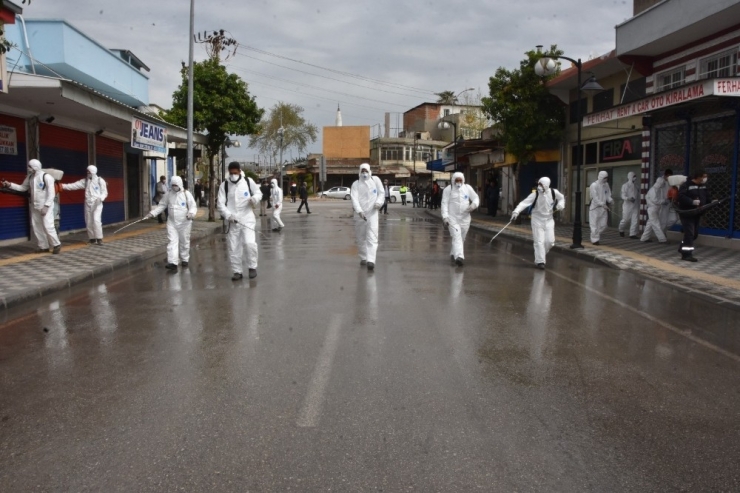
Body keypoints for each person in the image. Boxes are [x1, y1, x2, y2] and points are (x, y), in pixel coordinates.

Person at [2, 159, 62, 254]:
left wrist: (46, 206)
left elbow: (51, 193)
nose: (28, 168)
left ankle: (56, 244)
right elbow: (22, 188)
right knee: (37, 226)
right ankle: (43, 246)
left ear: (35, 167)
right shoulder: (30, 177)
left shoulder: (46, 177)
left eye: (30, 166)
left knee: (48, 226)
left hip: (46, 206)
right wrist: (10, 185)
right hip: (34, 206)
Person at [217, 162, 262, 280]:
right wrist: (228, 215)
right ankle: (237, 271)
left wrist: (254, 199)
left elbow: (258, 193)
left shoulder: (248, 181)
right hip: (233, 221)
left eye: (235, 173)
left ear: (239, 171)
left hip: (247, 218)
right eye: (231, 173)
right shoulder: (224, 185)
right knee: (234, 247)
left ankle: (252, 267)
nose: (233, 175)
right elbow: (220, 204)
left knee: (249, 243)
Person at [145, 176, 197, 272]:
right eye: (172, 185)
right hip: (172, 222)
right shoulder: (168, 194)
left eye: (176, 185)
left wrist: (191, 213)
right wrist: (152, 213)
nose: (174, 187)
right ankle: (173, 262)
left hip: (184, 223)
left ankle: (185, 259)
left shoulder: (186, 194)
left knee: (184, 242)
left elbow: (193, 206)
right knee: (172, 241)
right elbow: (162, 205)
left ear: (180, 184)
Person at [512, 177, 565, 269]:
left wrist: (561, 204)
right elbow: (523, 203)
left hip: (549, 219)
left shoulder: (553, 192)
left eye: (541, 185)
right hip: (537, 219)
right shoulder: (535, 194)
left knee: (550, 241)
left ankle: (540, 255)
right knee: (539, 241)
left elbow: (562, 198)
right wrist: (516, 211)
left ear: (547, 185)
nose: (539, 186)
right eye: (539, 184)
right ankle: (540, 261)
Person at [61, 165, 108, 245]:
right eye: (87, 171)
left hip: (97, 204)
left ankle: (99, 238)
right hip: (87, 203)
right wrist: (62, 186)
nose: (87, 173)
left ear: (93, 172)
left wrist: (101, 198)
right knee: (89, 221)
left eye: (89, 171)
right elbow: (74, 185)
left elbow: (104, 192)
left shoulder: (100, 181)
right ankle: (92, 238)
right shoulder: (85, 181)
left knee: (96, 220)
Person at [351, 163, 385, 270]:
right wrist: (359, 211)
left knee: (372, 237)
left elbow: (381, 193)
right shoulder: (356, 184)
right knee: (360, 237)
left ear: (369, 170)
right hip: (359, 215)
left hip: (372, 213)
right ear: (359, 171)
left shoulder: (375, 180)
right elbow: (354, 199)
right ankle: (363, 257)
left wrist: (379, 203)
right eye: (362, 171)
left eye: (366, 171)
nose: (364, 173)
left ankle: (371, 260)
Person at [441, 172, 480, 266]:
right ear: (453, 180)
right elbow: (444, 203)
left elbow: (476, 198)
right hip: (452, 218)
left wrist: (474, 205)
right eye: (456, 180)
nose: (458, 182)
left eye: (460, 180)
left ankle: (453, 252)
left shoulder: (467, 188)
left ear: (463, 180)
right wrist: (445, 217)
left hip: (465, 219)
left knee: (461, 238)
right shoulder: (448, 190)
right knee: (456, 235)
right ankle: (460, 257)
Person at [677, 169, 713, 262]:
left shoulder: (703, 186)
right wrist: (692, 202)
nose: (705, 178)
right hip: (687, 212)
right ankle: (686, 255)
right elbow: (681, 197)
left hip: (697, 213)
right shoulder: (686, 185)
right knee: (689, 233)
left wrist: (711, 202)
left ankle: (682, 248)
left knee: (694, 234)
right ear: (698, 177)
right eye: (704, 176)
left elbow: (707, 197)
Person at [641, 169, 673, 243]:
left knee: (650, 223)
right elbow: (655, 200)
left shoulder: (658, 189)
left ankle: (644, 238)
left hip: (656, 208)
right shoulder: (653, 190)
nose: (662, 185)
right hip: (652, 209)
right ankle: (662, 239)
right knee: (656, 224)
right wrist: (663, 201)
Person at [588, 170, 613, 245]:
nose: (606, 179)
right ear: (601, 177)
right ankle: (595, 240)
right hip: (595, 209)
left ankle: (595, 234)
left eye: (607, 178)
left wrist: (610, 200)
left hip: (603, 208)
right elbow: (595, 199)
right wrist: (602, 204)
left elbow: (608, 195)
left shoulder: (606, 185)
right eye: (605, 178)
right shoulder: (594, 185)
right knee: (594, 224)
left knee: (604, 225)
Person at [618, 172, 640, 239]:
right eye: (633, 176)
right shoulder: (625, 186)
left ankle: (632, 234)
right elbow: (623, 195)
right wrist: (628, 199)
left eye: (635, 176)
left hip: (635, 205)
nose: (635, 178)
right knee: (625, 219)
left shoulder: (636, 186)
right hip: (627, 205)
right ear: (630, 177)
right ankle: (621, 229)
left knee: (635, 219)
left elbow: (638, 195)